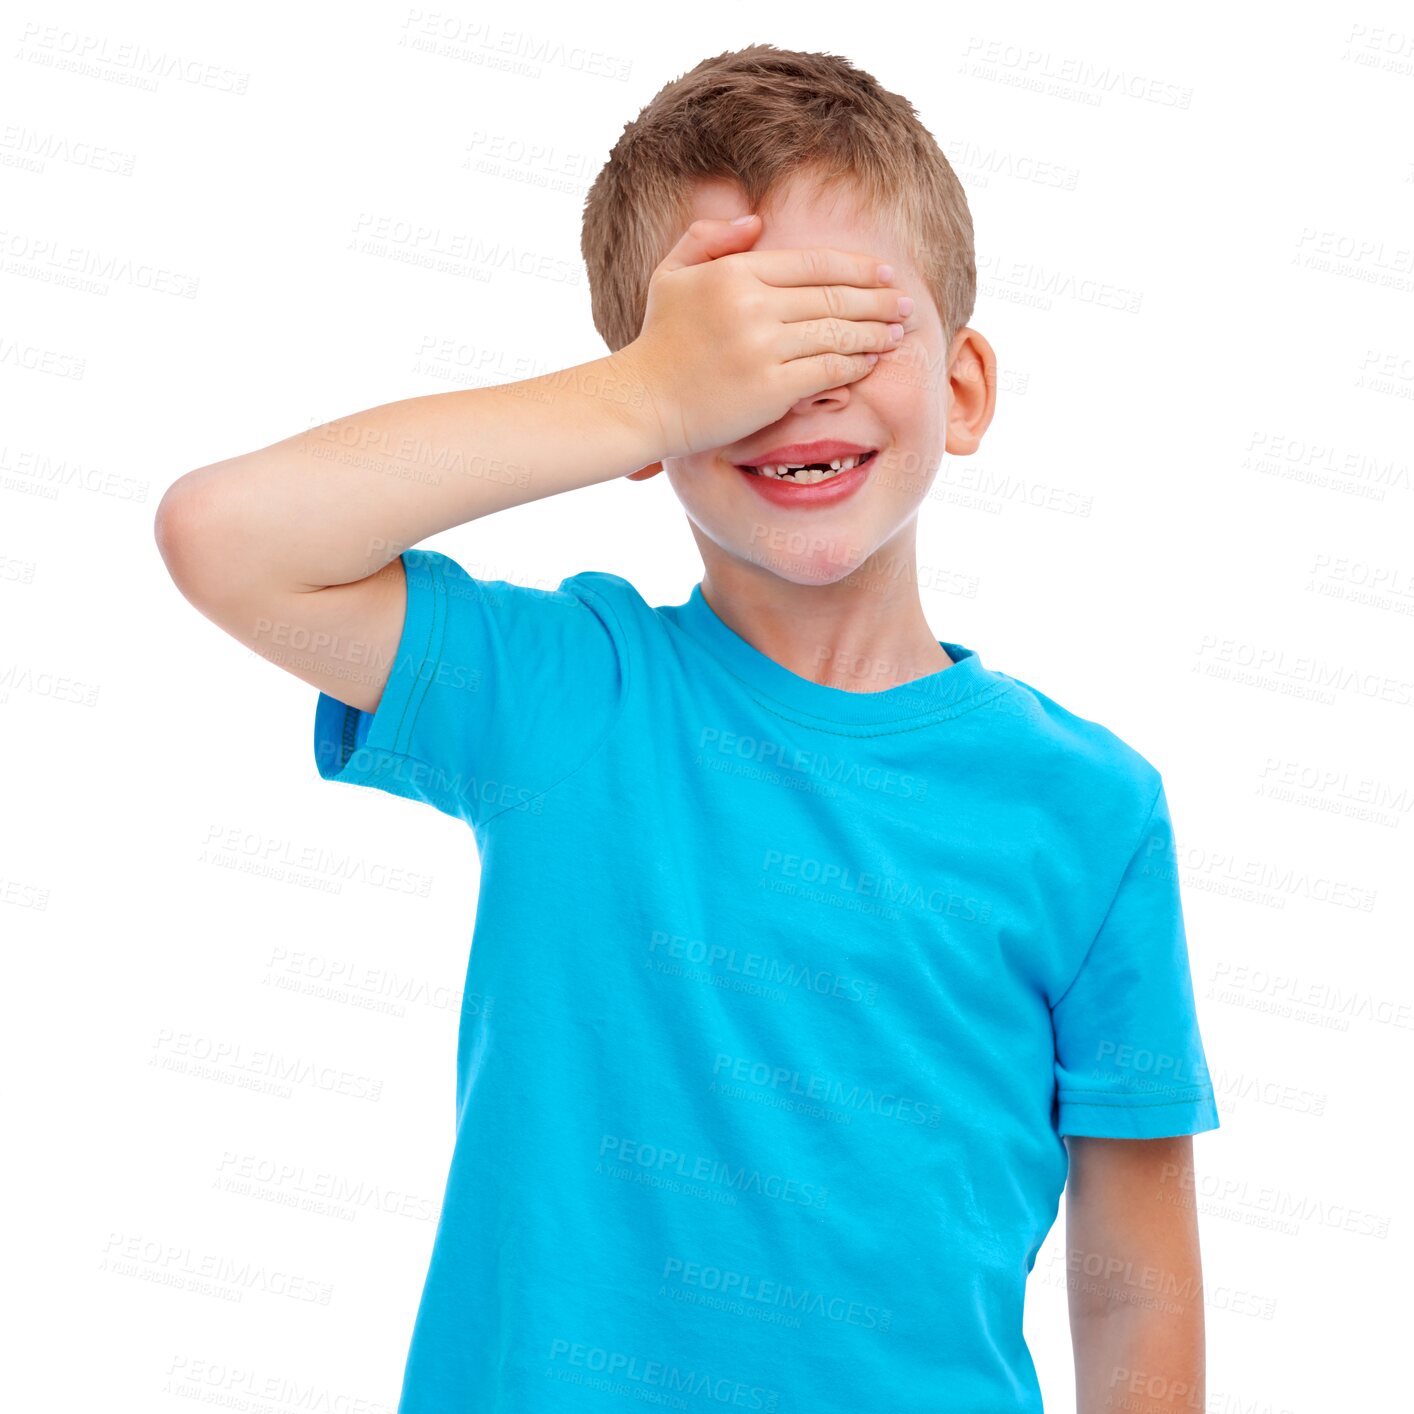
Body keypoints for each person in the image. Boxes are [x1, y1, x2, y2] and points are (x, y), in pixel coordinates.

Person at [154, 43, 1219, 1414]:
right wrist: (643, 393)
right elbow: (226, 537)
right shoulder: (566, 695)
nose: (795, 383)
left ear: (959, 389)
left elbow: (1133, 1280)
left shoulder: (1088, 807)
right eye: (734, 343)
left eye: (842, 324)